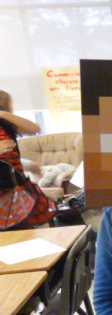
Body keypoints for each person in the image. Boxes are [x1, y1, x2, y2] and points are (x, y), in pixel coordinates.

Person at [0, 90, 56, 229]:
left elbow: (34, 128)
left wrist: (3, 114)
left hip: (13, 184)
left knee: (23, 230)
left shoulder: (5, 123)